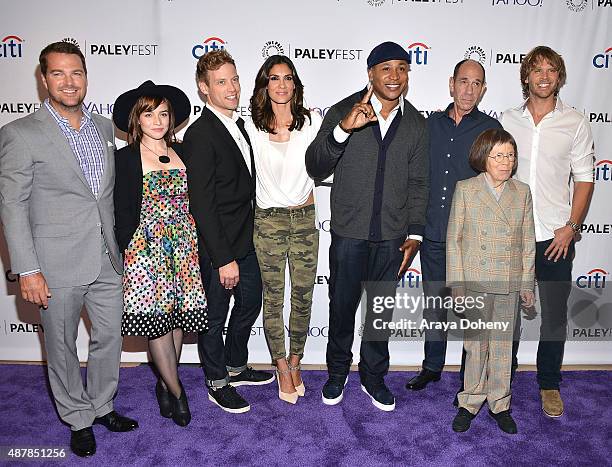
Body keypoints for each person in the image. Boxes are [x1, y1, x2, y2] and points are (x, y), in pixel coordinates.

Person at [0, 42, 137, 457]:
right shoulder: (20, 134)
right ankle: (77, 418)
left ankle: (101, 405)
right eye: (58, 73)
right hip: (53, 263)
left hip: (107, 257)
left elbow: (107, 196)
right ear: (44, 79)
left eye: (75, 72)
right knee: (60, 345)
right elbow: (12, 205)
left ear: (86, 76)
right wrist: (27, 269)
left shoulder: (102, 127)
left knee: (109, 338)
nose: (68, 81)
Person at [306, 41, 429, 411]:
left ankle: (373, 378)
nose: (394, 76)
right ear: (371, 73)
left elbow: (419, 182)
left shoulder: (416, 123)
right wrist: (343, 130)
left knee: (380, 312)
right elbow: (315, 166)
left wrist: (415, 233)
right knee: (342, 308)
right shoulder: (345, 110)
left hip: (392, 237)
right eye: (386, 68)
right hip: (349, 233)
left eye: (402, 68)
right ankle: (337, 373)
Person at [501, 46, 594, 418]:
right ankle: (501, 378)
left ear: (559, 77)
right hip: (513, 236)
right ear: (526, 75)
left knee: (554, 315)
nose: (543, 76)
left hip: (556, 238)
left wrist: (570, 228)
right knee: (507, 313)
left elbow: (585, 180)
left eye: (551, 70)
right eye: (536, 69)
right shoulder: (507, 119)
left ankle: (549, 383)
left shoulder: (575, 122)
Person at [183, 49, 274, 414]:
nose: (232, 87)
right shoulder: (200, 133)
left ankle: (236, 365)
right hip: (217, 247)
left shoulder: (238, 124)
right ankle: (216, 380)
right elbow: (202, 204)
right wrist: (223, 259)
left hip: (245, 239)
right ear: (205, 89)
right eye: (221, 82)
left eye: (234, 79)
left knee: (251, 300)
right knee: (214, 317)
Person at [112, 81, 208, 427]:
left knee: (178, 323)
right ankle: (178, 391)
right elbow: (117, 209)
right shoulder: (123, 158)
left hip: (183, 247)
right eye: (149, 113)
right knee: (157, 325)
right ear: (137, 119)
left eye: (163, 113)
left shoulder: (184, 152)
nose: (157, 120)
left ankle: (166, 383)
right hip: (145, 251)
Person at [406, 59, 503, 393]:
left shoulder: (491, 131)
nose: (469, 89)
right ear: (451, 83)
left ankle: (470, 377)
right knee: (435, 305)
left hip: (471, 239)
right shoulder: (429, 125)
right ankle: (432, 366)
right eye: (464, 81)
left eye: (477, 84)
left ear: (483, 89)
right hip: (432, 232)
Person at [447, 128, 535, 434]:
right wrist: (457, 284)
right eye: (498, 155)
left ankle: (500, 403)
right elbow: (454, 240)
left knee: (501, 348)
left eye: (510, 155)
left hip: (507, 282)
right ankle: (469, 401)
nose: (505, 161)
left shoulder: (521, 192)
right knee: (475, 347)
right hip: (475, 281)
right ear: (483, 157)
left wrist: (526, 284)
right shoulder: (466, 189)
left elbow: (527, 242)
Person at [245, 55, 322, 404]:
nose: (281, 85)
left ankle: (296, 360)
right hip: (268, 221)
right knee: (273, 298)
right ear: (265, 84)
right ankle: (280, 364)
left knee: (303, 296)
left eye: (287, 78)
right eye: (274, 78)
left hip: (305, 219)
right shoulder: (250, 126)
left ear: (295, 84)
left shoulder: (312, 122)